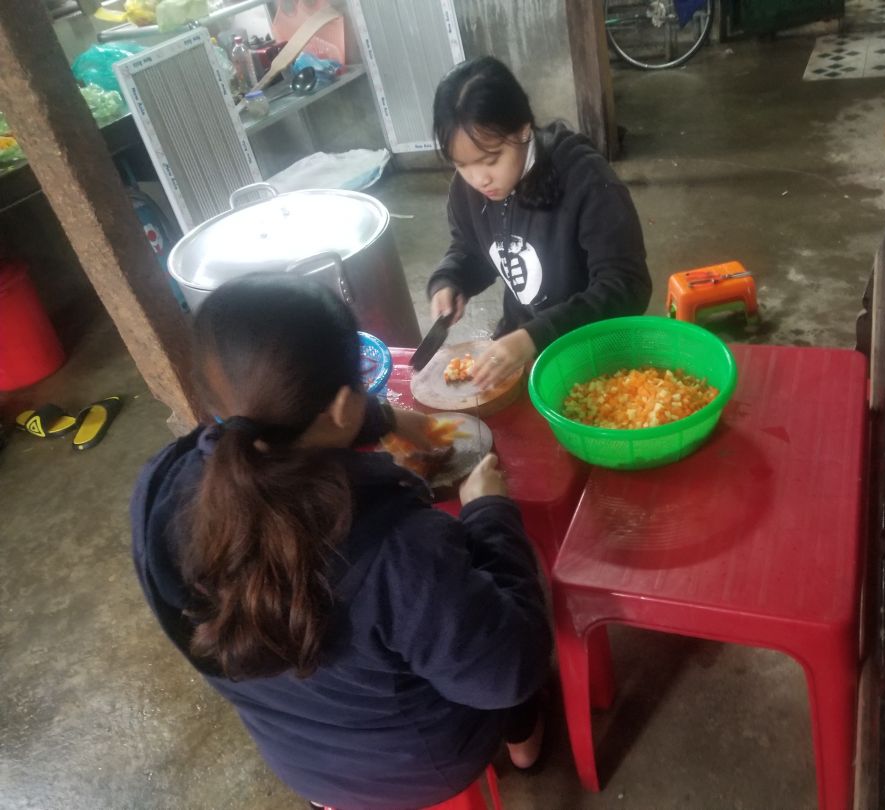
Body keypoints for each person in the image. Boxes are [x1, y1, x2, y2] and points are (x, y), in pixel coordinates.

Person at [130, 274, 551, 810]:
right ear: (342, 407)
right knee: (508, 634)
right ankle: (526, 749)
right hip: (420, 764)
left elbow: (275, 424)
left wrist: (382, 418)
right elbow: (509, 670)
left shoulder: (160, 487)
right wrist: (489, 513)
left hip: (301, 762)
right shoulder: (399, 546)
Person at [428, 56, 652, 390]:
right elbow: (472, 246)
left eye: (491, 160)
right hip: (521, 347)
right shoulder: (469, 189)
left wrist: (535, 336)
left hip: (592, 355)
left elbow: (626, 286)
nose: (478, 179)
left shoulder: (587, 181)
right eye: (462, 165)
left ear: (523, 129)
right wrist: (452, 279)